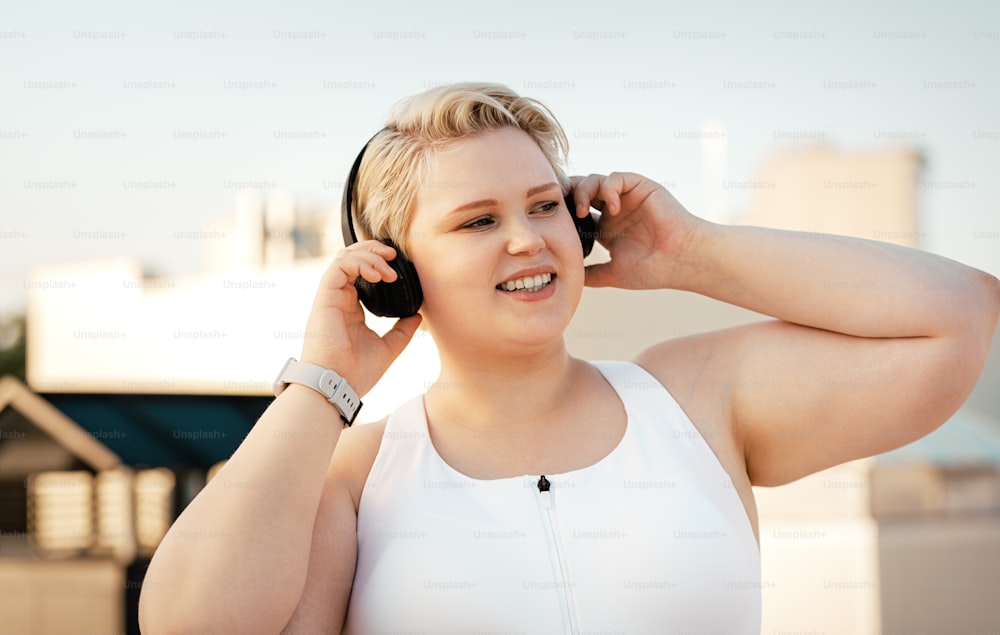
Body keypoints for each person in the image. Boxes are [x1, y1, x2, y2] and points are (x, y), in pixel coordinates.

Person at [138, 83, 1000, 635]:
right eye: (478, 220)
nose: (527, 238)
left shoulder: (699, 400)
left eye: (546, 204)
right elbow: (190, 623)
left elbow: (957, 318)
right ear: (393, 270)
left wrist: (690, 253)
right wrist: (324, 381)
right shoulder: (351, 477)